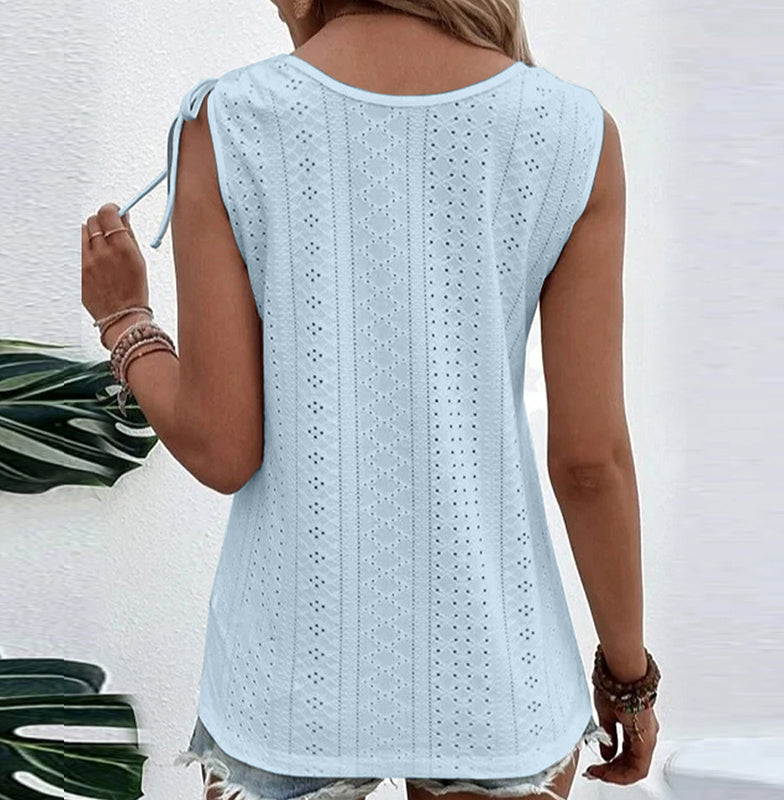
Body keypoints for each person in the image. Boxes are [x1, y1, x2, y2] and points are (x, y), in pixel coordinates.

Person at [81, 0, 661, 798]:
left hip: (286, 685)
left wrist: (125, 323)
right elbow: (591, 464)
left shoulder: (229, 120)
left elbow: (223, 448)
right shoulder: (573, 131)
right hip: (497, 676)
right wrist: (629, 679)